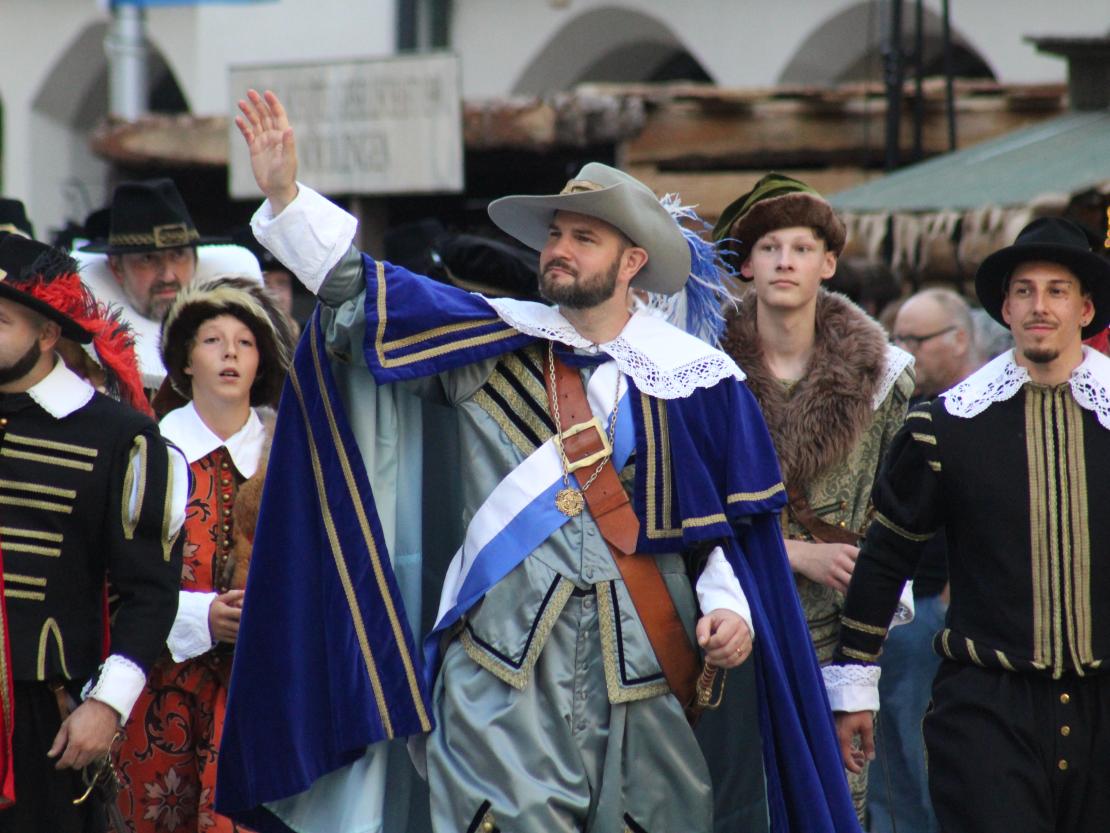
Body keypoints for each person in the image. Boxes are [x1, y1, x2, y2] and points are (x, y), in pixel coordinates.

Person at [215, 89, 858, 833]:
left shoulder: (697, 380)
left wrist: (731, 609)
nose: (559, 248)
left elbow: (725, 535)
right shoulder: (491, 337)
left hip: (649, 679)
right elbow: (364, 293)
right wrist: (287, 195)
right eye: (557, 233)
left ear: (633, 262)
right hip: (500, 678)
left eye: (584, 237)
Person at [828, 216, 1110, 833]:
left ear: (1085, 308)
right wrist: (854, 682)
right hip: (987, 707)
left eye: (1057, 290)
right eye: (1025, 291)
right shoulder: (946, 425)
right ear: (1005, 308)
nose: (1040, 306)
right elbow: (886, 557)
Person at [711, 173, 915, 824]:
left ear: (827, 262)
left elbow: (897, 511)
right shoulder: (697, 368)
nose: (785, 262)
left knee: (834, 804)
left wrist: (861, 667)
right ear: (745, 264)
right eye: (769, 247)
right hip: (732, 618)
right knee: (740, 797)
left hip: (839, 630)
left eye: (801, 247)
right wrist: (792, 553)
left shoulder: (885, 375)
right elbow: (683, 504)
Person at [0, 232, 186, 832]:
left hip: (43, 713)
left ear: (48, 334)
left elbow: (150, 591)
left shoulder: (120, 436)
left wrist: (107, 705)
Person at [113, 277, 293, 832]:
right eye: (213, 340)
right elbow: (108, 578)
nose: (231, 353)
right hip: (155, 687)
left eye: (245, 342)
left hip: (256, 692)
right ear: (185, 361)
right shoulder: (146, 452)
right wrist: (201, 616)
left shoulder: (288, 458)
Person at [868, 287, 979, 833]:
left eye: (916, 339)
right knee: (899, 749)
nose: (903, 350)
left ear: (959, 339)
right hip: (911, 608)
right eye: (898, 338)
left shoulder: (987, 410)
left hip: (960, 611)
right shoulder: (906, 407)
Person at [75, 180, 263, 389]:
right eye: (148, 259)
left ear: (196, 260)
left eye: (178, 255)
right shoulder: (79, 364)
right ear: (117, 268)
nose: (167, 276)